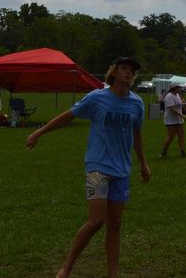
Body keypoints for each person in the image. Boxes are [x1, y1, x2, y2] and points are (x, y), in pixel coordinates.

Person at [27, 56, 152, 278]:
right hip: (97, 167)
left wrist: (143, 163)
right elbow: (68, 116)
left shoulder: (137, 103)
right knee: (96, 221)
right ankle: (66, 267)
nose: (128, 72)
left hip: (122, 169)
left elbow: (137, 134)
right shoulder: (96, 98)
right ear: (113, 72)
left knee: (115, 222)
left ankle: (112, 274)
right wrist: (39, 132)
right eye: (124, 68)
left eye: (131, 70)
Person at [160, 83, 186, 157]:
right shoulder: (169, 96)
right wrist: (182, 115)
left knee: (181, 135)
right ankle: (164, 151)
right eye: (178, 87)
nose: (180, 89)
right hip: (170, 120)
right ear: (174, 88)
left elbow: (179, 104)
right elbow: (172, 108)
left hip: (179, 119)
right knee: (171, 136)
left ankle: (183, 152)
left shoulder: (177, 95)